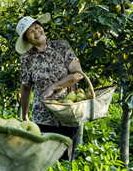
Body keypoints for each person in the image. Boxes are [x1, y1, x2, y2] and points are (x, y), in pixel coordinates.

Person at [16, 14, 84, 161]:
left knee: (65, 158)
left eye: (37, 26)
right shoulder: (27, 59)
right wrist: (25, 114)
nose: (36, 31)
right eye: (30, 31)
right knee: (44, 160)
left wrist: (54, 86)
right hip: (42, 116)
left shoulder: (62, 47)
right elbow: (26, 87)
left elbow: (78, 74)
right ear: (27, 39)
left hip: (67, 113)